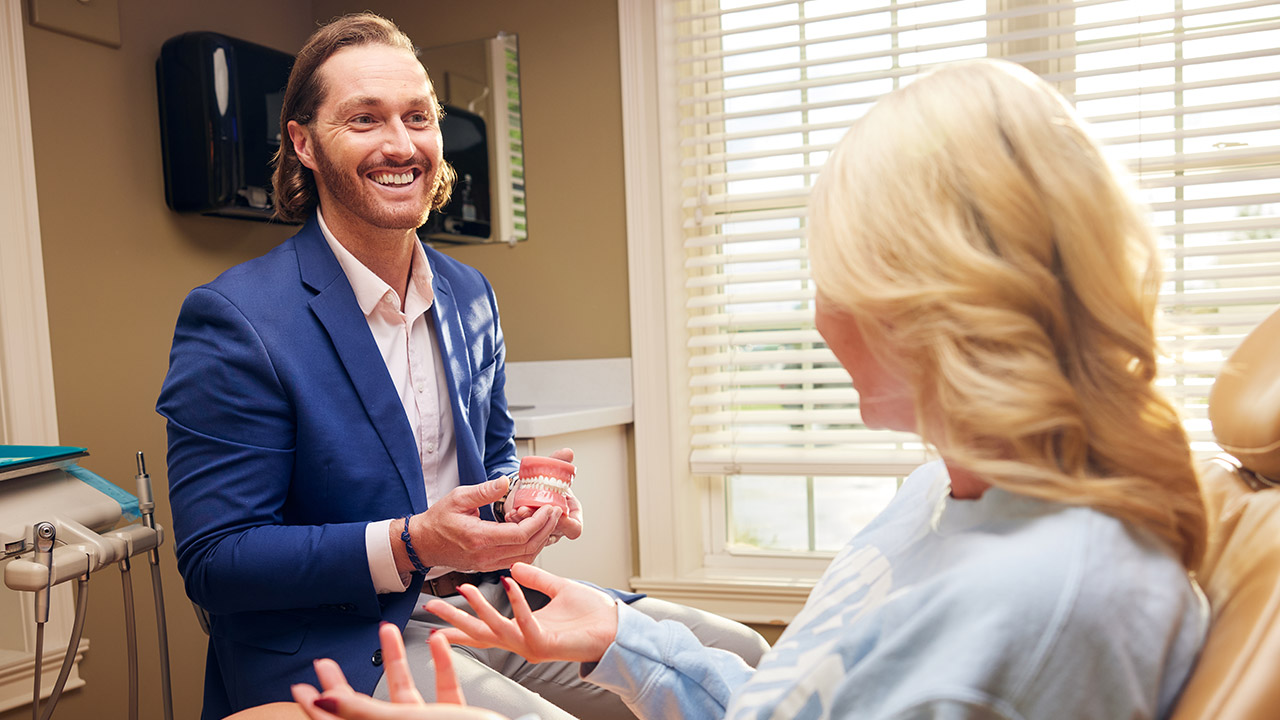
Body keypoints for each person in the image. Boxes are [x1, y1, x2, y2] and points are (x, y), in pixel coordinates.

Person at [282, 58, 1211, 720]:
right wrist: (615, 632)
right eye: (364, 117)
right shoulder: (947, 493)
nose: (817, 315)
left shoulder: (1039, 609)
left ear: (935, 304)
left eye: (835, 273)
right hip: (360, 622)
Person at [156, 12, 767, 720]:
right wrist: (411, 543)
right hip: (346, 638)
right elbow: (218, 561)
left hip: (485, 602)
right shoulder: (238, 319)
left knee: (740, 656)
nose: (400, 144)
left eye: (418, 116)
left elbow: (493, 454)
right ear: (304, 144)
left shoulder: (468, 292)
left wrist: (524, 499)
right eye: (365, 119)